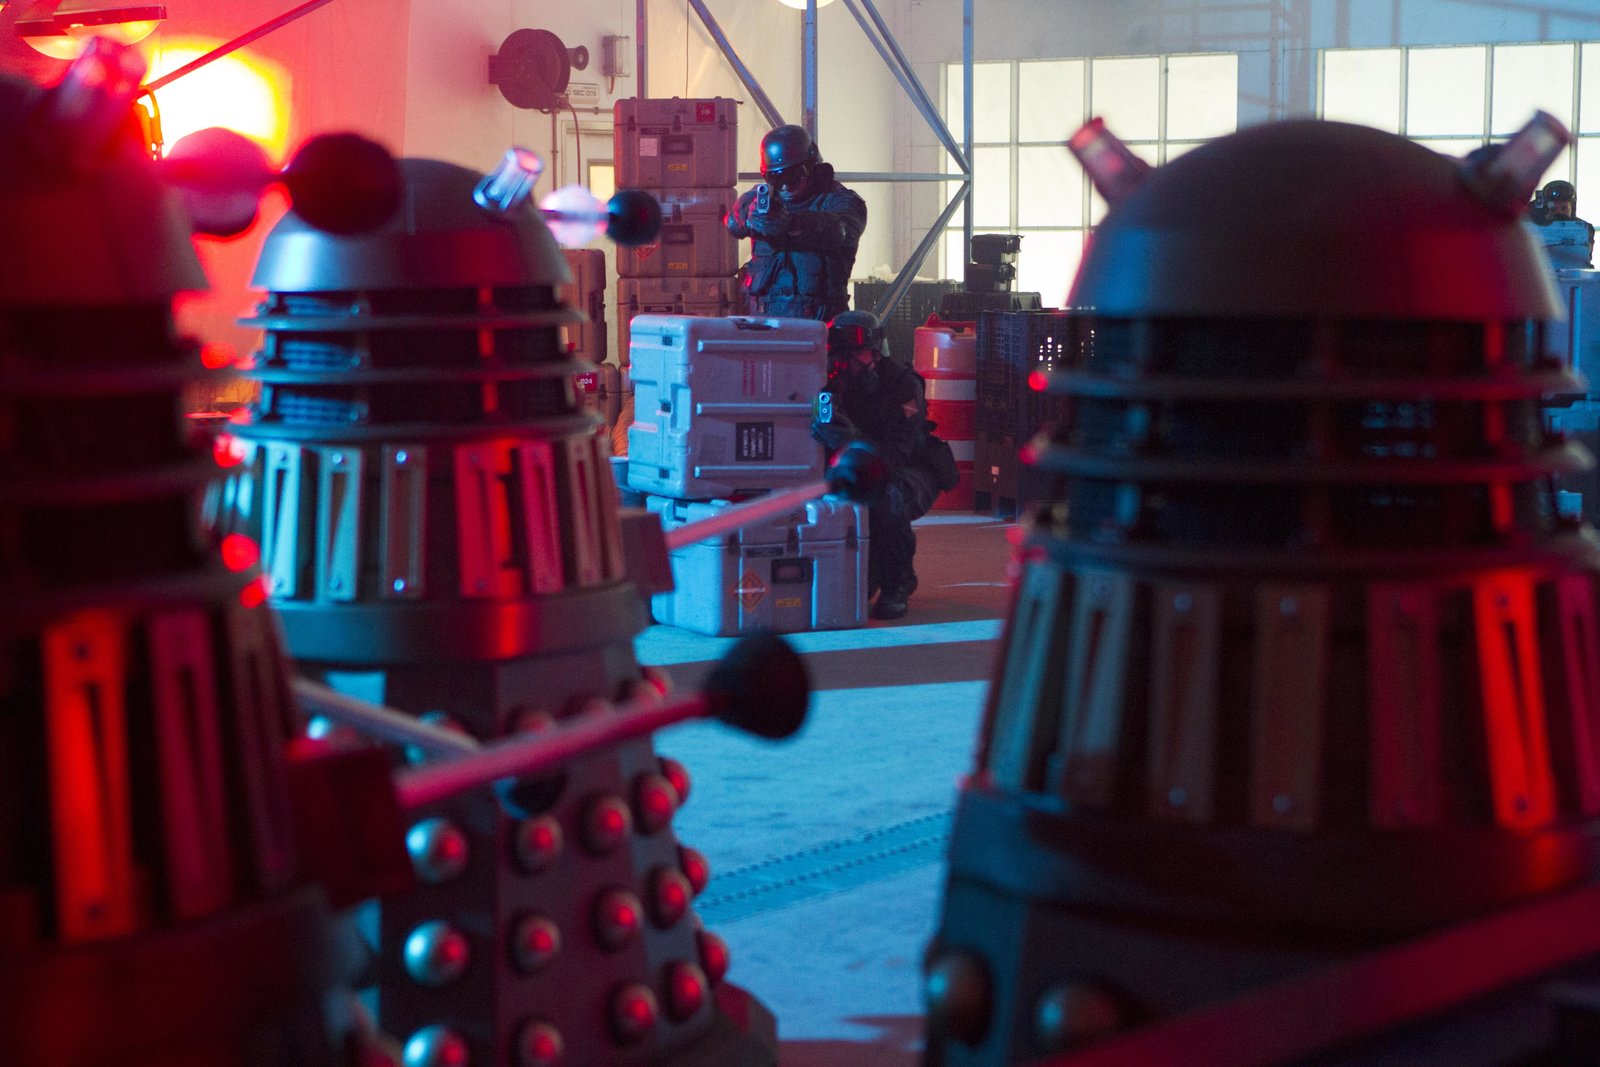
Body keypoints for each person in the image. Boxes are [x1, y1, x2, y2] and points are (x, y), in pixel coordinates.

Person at [812, 310, 949, 620]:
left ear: (874, 353)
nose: (846, 364)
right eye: (841, 356)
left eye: (855, 354)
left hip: (911, 469)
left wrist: (854, 439)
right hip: (858, 466)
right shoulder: (833, 387)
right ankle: (865, 574)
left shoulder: (903, 385)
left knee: (886, 497)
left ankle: (897, 583)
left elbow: (897, 452)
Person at [725, 125, 867, 321]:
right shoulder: (762, 199)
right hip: (762, 320)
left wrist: (793, 224)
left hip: (818, 322)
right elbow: (733, 223)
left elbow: (840, 230)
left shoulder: (841, 200)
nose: (785, 185)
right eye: (776, 178)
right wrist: (750, 217)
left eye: (793, 176)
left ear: (810, 167)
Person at [1527, 179, 1595, 269]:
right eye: (1554, 209)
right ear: (1545, 210)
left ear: (1572, 209)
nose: (1559, 212)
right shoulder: (1532, 227)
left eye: (1564, 208)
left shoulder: (1584, 228)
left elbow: (1585, 256)